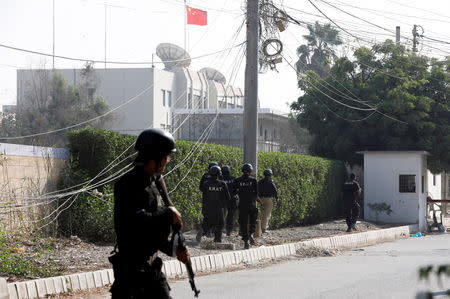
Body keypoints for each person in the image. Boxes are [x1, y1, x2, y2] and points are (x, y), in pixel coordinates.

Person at [110, 128, 190, 299]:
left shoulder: (154, 184)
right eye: (166, 157)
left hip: (152, 270)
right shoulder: (127, 184)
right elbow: (136, 221)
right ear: (156, 158)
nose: (168, 161)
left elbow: (153, 234)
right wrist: (168, 213)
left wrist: (175, 249)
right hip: (130, 274)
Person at [198, 165, 230, 243]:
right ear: (219, 174)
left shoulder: (206, 183)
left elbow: (203, 193)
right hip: (218, 208)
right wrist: (222, 204)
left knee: (207, 222)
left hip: (208, 207)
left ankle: (202, 231)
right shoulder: (222, 184)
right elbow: (228, 197)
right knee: (220, 224)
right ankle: (217, 240)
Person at [233, 163, 258, 249]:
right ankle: (251, 233)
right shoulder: (253, 180)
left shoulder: (238, 180)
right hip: (252, 204)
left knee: (243, 222)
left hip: (242, 204)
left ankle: (246, 240)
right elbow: (256, 194)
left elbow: (234, 192)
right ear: (250, 171)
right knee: (253, 220)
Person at [196, 162, 219, 242]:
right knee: (216, 218)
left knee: (206, 216)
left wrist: (207, 192)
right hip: (216, 202)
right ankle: (209, 233)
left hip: (206, 200)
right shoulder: (219, 176)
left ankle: (205, 232)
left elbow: (201, 188)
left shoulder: (205, 176)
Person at [257, 169, 279, 233]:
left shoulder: (260, 182)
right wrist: (277, 198)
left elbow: (257, 190)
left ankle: (261, 227)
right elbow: (275, 190)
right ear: (270, 175)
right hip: (269, 199)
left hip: (261, 199)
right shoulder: (271, 182)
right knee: (267, 214)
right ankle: (264, 228)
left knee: (262, 213)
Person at [221, 165, 237, 236]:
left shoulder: (220, 178)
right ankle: (228, 231)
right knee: (230, 216)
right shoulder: (233, 179)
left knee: (221, 215)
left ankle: (220, 229)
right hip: (232, 199)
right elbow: (237, 189)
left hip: (222, 199)